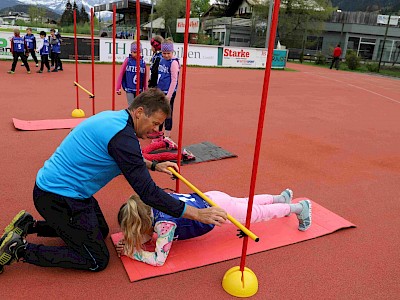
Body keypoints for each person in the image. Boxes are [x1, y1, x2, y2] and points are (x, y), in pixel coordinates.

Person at [0, 88, 227, 273]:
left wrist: (155, 165)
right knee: (97, 260)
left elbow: (127, 160)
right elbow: (148, 193)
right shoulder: (123, 139)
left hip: (63, 192)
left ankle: (29, 225)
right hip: (59, 198)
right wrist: (197, 214)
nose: (157, 130)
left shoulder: (116, 120)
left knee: (101, 231)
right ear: (140, 112)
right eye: (156, 123)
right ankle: (19, 249)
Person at [116, 189, 312, 266]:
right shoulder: (151, 201)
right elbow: (148, 233)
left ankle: (296, 208)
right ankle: (278, 198)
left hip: (217, 209)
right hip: (211, 197)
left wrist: (132, 252)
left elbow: (159, 259)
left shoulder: (165, 225)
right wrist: (133, 241)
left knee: (256, 214)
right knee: (243, 202)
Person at [155, 38, 180, 140]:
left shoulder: (173, 63)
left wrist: (168, 96)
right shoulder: (161, 59)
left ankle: (167, 135)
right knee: (158, 112)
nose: (166, 55)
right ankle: (158, 133)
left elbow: (174, 80)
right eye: (164, 53)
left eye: (168, 53)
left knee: (168, 112)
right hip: (160, 90)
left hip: (168, 92)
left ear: (172, 52)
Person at [116, 41, 148, 106]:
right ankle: (131, 116)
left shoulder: (142, 62)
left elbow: (144, 77)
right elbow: (121, 74)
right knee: (131, 106)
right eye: (133, 52)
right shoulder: (127, 61)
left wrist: (146, 89)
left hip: (139, 89)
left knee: (138, 106)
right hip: (129, 88)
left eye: (137, 52)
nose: (135, 54)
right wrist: (118, 87)